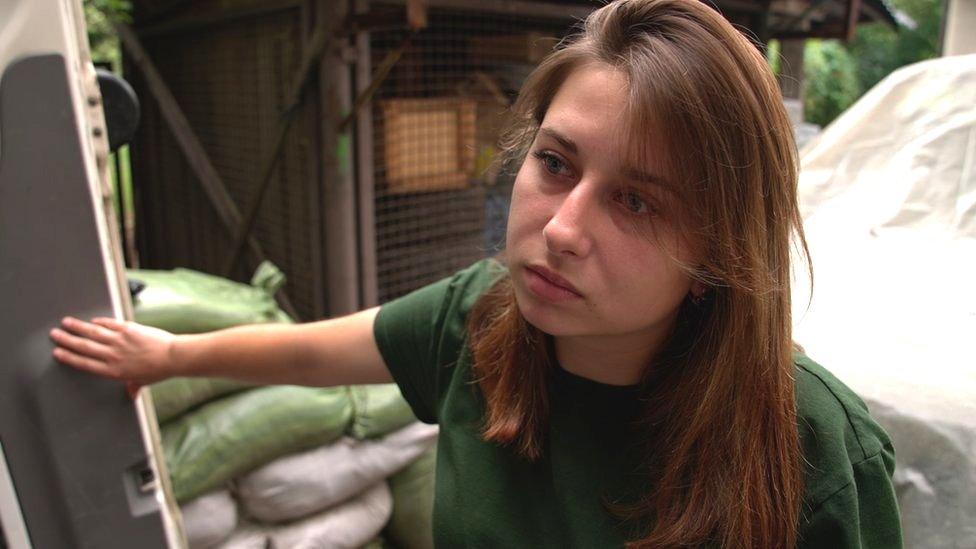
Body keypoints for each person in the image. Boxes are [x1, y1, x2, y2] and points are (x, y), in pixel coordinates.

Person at [50, 0, 902, 547]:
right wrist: (166, 359)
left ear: (721, 251)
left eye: (638, 203)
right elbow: (315, 354)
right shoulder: (482, 321)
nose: (562, 228)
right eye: (557, 164)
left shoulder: (813, 455)